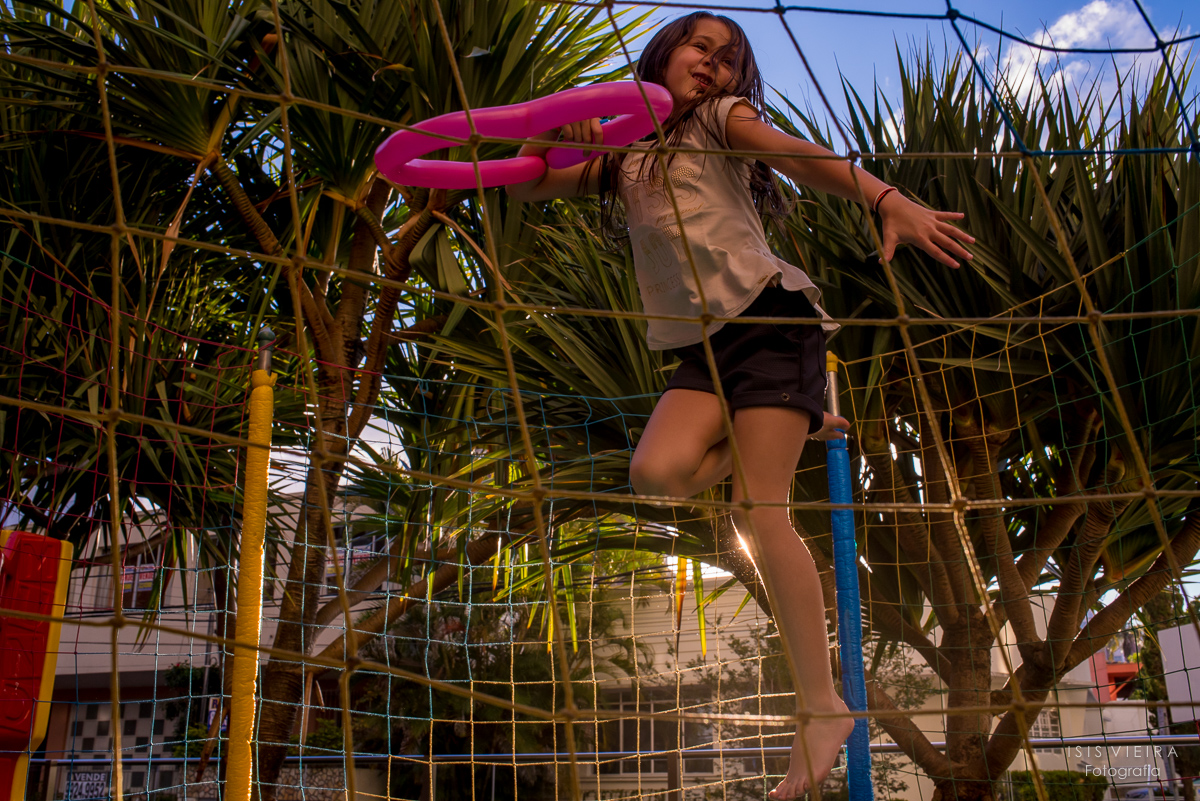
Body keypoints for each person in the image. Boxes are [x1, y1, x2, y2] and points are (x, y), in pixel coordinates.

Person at [506, 11, 973, 799]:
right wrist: (556, 134)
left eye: (730, 59)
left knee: (761, 513)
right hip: (701, 349)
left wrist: (881, 194)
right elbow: (531, 177)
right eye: (701, 47)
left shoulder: (719, 121)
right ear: (662, 54)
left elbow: (795, 154)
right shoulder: (622, 158)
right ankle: (794, 416)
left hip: (767, 318)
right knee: (655, 473)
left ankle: (823, 704)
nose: (716, 66)